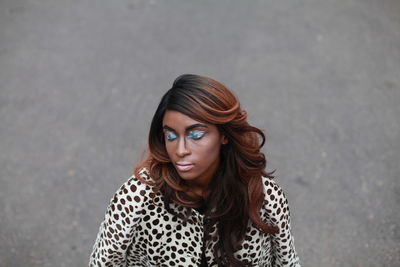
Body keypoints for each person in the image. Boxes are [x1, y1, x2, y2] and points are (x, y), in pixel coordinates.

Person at [89, 74, 300, 267]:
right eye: (171, 136)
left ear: (224, 135)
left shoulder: (264, 197)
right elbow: (102, 262)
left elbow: (287, 262)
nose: (180, 150)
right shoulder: (137, 197)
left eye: (196, 135)